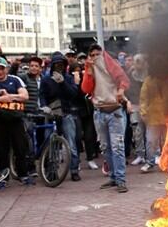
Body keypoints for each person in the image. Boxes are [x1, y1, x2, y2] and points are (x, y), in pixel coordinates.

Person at [81, 44, 130, 192]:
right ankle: (113, 177)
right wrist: (88, 71)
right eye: (93, 55)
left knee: (117, 147)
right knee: (105, 147)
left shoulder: (111, 65)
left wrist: (121, 91)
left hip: (114, 112)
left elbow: (124, 79)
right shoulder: (90, 69)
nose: (96, 57)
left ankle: (121, 179)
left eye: (98, 54)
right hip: (99, 112)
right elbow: (86, 89)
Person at [0, 57, 32, 185]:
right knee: (0, 150)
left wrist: (10, 97)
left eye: (2, 68)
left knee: (20, 147)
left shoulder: (15, 80)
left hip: (15, 119)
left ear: (7, 69)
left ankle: (23, 174)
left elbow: (25, 96)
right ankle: (4, 176)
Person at [41, 51, 83, 181]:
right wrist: (44, 106)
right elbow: (42, 94)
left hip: (66, 112)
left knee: (71, 144)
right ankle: (51, 171)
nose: (59, 67)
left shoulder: (69, 78)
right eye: (56, 64)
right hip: (52, 113)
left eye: (61, 64)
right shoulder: (46, 79)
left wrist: (63, 82)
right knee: (50, 143)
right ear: (52, 65)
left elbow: (73, 94)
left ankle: (74, 170)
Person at [126, 54, 147, 166]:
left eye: (140, 61)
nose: (137, 64)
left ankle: (153, 155)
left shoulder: (149, 74)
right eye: (136, 61)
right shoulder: (129, 75)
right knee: (137, 131)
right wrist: (128, 101)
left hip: (148, 105)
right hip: (135, 104)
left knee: (150, 131)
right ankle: (140, 155)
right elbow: (126, 89)